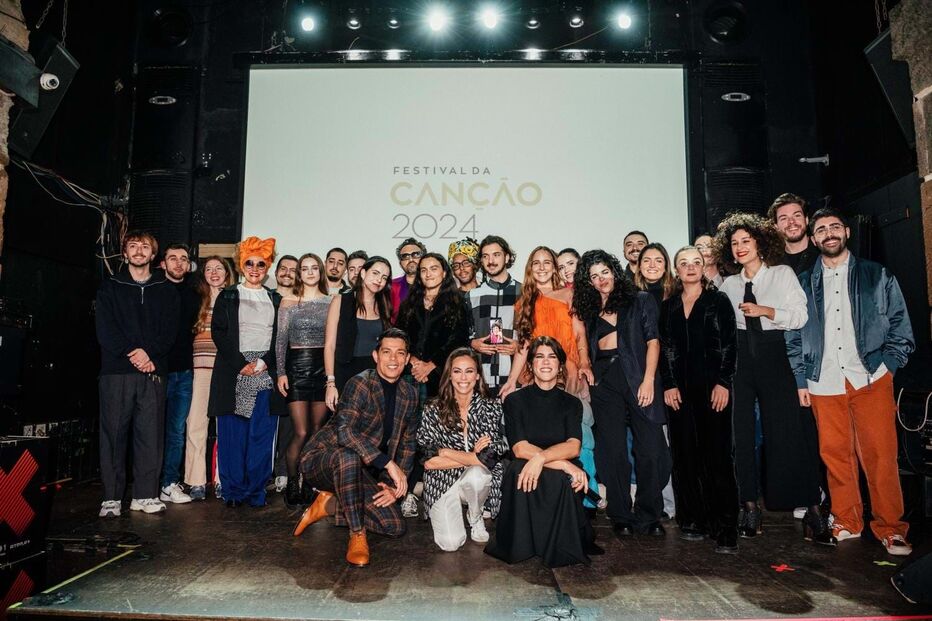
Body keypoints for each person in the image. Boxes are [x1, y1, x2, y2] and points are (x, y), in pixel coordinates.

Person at [788, 208, 915, 556]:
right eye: (821, 230)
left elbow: (900, 324)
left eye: (834, 227)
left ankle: (891, 528)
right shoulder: (803, 283)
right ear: (813, 239)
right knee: (835, 456)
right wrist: (801, 378)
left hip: (870, 378)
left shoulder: (877, 275)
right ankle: (847, 520)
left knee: (881, 456)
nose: (828, 233)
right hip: (823, 381)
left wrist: (888, 367)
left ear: (846, 232)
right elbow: (793, 335)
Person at [714, 213, 832, 545]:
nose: (739, 247)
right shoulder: (728, 285)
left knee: (789, 434)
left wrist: (766, 311)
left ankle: (812, 510)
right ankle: (749, 508)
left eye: (745, 241)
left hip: (775, 356)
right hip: (740, 360)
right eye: (734, 243)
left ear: (760, 242)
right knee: (741, 436)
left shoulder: (782, 274)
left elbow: (801, 316)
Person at [293, 329, 419, 568]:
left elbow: (407, 445)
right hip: (321, 459)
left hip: (355, 472)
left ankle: (329, 505)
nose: (393, 359)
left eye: (400, 353)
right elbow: (345, 432)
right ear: (376, 356)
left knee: (394, 526)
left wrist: (393, 487)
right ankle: (357, 534)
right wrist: (388, 464)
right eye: (387, 352)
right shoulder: (360, 383)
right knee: (348, 456)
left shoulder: (410, 394)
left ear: (407, 358)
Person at [573, 250, 669, 536]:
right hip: (605, 381)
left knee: (650, 449)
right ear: (588, 282)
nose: (601, 279)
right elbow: (582, 341)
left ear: (614, 272)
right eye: (594, 276)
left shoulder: (640, 299)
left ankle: (650, 516)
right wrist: (585, 364)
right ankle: (621, 514)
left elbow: (653, 342)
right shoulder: (589, 308)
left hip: (638, 376)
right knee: (612, 450)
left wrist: (648, 380)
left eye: (605, 272)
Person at [485, 337, 602, 567]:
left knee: (560, 478)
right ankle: (522, 544)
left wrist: (541, 458)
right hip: (528, 462)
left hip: (547, 462)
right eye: (539, 357)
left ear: (560, 365)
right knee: (521, 469)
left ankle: (561, 544)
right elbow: (519, 448)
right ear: (530, 365)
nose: (546, 362)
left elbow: (573, 446)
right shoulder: (515, 400)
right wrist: (563, 464)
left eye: (552, 357)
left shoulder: (572, 403)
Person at [659, 246, 739, 553]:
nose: (691, 267)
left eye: (696, 262)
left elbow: (730, 346)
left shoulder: (719, 301)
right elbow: (665, 349)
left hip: (713, 390)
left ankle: (726, 528)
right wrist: (668, 384)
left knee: (718, 458)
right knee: (685, 457)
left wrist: (723, 383)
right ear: (677, 270)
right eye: (684, 263)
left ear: (704, 266)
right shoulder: (668, 306)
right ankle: (693, 519)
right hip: (679, 393)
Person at [96, 231, 179, 517]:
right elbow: (105, 329)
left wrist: (149, 355)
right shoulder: (110, 287)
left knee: (150, 435)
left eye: (145, 247)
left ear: (153, 255)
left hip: (153, 371)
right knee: (113, 434)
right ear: (125, 253)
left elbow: (170, 331)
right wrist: (134, 352)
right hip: (116, 372)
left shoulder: (166, 289)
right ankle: (111, 498)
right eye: (133, 246)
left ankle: (145, 495)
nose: (139, 251)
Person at [207, 237, 284, 508]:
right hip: (233, 370)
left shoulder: (275, 298)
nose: (254, 269)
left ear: (267, 267)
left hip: (264, 369)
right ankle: (233, 490)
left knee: (261, 434)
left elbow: (280, 336)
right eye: (249, 263)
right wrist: (241, 362)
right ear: (241, 265)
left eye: (260, 264)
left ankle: (255, 490)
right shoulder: (228, 295)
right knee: (233, 434)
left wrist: (264, 362)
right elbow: (219, 332)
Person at [417, 348, 508, 551]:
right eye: (457, 371)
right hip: (441, 480)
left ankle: (475, 516)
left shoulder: (491, 407)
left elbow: (491, 458)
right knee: (450, 544)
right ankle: (454, 508)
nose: (463, 378)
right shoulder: (432, 408)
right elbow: (429, 461)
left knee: (478, 475)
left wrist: (445, 452)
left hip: (473, 479)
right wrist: (473, 456)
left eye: (469, 371)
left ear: (478, 376)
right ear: (449, 375)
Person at [275, 253, 332, 508]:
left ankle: (309, 481)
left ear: (320, 272)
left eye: (314, 268)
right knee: (300, 431)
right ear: (299, 273)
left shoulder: (331, 302)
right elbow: (280, 341)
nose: (309, 272)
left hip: (322, 368)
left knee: (317, 431)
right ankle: (291, 482)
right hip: (296, 367)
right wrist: (281, 372)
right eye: (305, 268)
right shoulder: (288, 301)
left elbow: (333, 341)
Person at [500, 246, 591, 399]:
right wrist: (511, 380)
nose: (542, 267)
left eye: (547, 262)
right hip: (538, 369)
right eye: (536, 263)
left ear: (554, 268)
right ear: (530, 268)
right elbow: (524, 344)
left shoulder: (569, 294)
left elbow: (579, 333)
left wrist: (584, 362)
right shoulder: (524, 302)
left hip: (568, 370)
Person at [184, 255, 235, 501]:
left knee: (225, 426)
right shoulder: (196, 300)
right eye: (208, 269)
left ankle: (222, 479)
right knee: (196, 424)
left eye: (219, 268)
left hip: (226, 369)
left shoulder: (235, 299)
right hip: (200, 369)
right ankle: (196, 481)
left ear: (227, 273)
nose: (214, 272)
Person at [395, 253, 470, 399]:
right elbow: (399, 335)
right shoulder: (408, 304)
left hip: (442, 376)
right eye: (423, 270)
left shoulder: (457, 303)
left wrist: (430, 365)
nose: (428, 274)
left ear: (444, 273)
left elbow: (458, 341)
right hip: (409, 374)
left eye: (433, 269)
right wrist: (413, 361)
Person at [158, 243, 200, 505]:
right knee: (151, 431)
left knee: (176, 432)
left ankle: (168, 483)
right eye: (172, 258)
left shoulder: (195, 293)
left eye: (183, 259)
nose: (178, 263)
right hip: (156, 372)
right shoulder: (153, 289)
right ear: (163, 263)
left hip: (184, 373)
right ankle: (146, 485)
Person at [323, 256, 393, 409]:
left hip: (376, 374)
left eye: (384, 277)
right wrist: (331, 383)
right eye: (375, 273)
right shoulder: (341, 301)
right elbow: (329, 345)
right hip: (345, 373)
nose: (379, 280)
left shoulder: (385, 305)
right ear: (363, 273)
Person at [467, 235, 522, 396]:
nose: (490, 261)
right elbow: (462, 335)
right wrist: (472, 343)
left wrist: (519, 346)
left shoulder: (524, 292)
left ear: (507, 257)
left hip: (516, 378)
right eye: (485, 256)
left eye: (496, 255)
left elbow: (534, 333)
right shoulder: (471, 296)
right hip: (480, 379)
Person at [769, 193, 819, 276]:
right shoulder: (772, 263)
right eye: (784, 218)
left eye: (797, 215)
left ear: (806, 220)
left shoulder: (823, 251)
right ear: (776, 226)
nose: (791, 221)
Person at [391, 237, 426, 323]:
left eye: (416, 254)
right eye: (405, 256)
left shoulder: (435, 285)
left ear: (424, 258)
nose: (411, 259)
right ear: (400, 263)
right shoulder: (391, 286)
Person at [634, 242, 675, 312]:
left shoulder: (677, 293)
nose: (652, 265)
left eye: (658, 261)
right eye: (646, 261)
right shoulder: (629, 294)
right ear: (640, 266)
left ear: (665, 267)